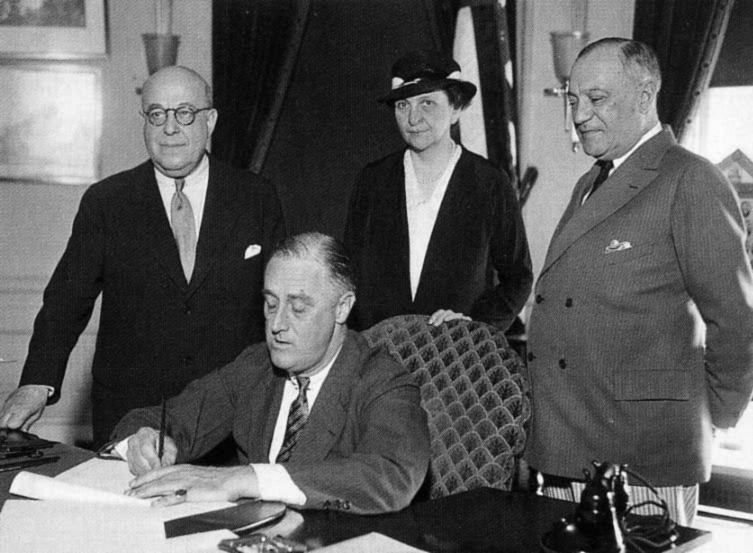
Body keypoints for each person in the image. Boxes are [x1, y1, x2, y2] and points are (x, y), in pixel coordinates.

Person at [524, 38, 753, 525]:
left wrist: (712, 414)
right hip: (569, 441)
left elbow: (738, 322)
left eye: (596, 99)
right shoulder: (590, 183)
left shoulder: (690, 179)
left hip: (644, 453)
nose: (580, 115)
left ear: (645, 94)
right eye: (573, 99)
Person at [0, 66, 285, 447]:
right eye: (157, 114)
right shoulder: (107, 203)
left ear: (210, 120)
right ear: (144, 122)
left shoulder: (256, 197)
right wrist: (37, 382)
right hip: (130, 417)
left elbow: (281, 301)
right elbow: (65, 301)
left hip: (230, 419)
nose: (170, 128)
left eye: (185, 113)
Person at [108, 232, 430, 514]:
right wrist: (143, 441)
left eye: (298, 308)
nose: (277, 324)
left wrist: (245, 478)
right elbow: (160, 418)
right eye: (271, 304)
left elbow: (393, 474)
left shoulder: (382, 380)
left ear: (342, 307)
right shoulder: (256, 367)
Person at [344, 50, 532, 331]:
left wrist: (475, 327)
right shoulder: (373, 180)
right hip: (378, 350)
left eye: (427, 103)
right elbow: (349, 273)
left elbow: (518, 278)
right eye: (403, 105)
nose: (413, 119)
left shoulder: (489, 183)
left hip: (454, 352)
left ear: (455, 109)